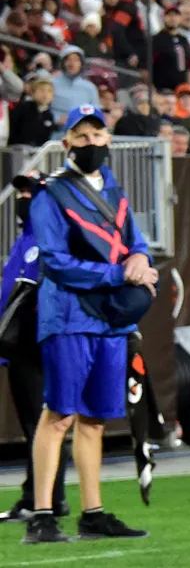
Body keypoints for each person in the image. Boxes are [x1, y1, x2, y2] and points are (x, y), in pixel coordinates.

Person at [24, 105, 154, 543]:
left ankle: (92, 514)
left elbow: (134, 243)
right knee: (59, 414)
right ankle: (41, 515)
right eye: (81, 137)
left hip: (109, 320)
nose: (91, 143)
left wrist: (141, 260)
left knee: (96, 419)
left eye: (97, 135)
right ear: (66, 145)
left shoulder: (114, 191)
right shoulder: (50, 193)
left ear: (108, 140)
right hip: (67, 315)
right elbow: (56, 263)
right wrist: (121, 274)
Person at [0, 174, 70, 524]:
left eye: (32, 192)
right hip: (18, 346)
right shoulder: (24, 238)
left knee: (43, 423)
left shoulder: (52, 236)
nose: (24, 197)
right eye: (21, 192)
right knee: (34, 424)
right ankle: (37, 496)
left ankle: (49, 499)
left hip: (40, 345)